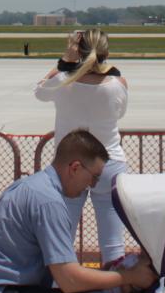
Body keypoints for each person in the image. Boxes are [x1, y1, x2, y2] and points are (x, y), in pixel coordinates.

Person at [0, 129, 158, 293]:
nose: (93, 185)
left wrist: (107, 276)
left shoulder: (30, 186)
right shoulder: (49, 202)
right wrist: (129, 277)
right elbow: (69, 280)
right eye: (94, 176)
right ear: (75, 168)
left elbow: (63, 276)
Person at [33, 29, 131, 265]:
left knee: (62, 239)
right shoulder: (118, 84)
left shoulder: (62, 82)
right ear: (106, 53)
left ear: (78, 51)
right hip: (109, 162)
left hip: (71, 167)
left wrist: (65, 61)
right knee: (113, 243)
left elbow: (39, 92)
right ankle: (115, 285)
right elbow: (120, 113)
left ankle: (61, 284)